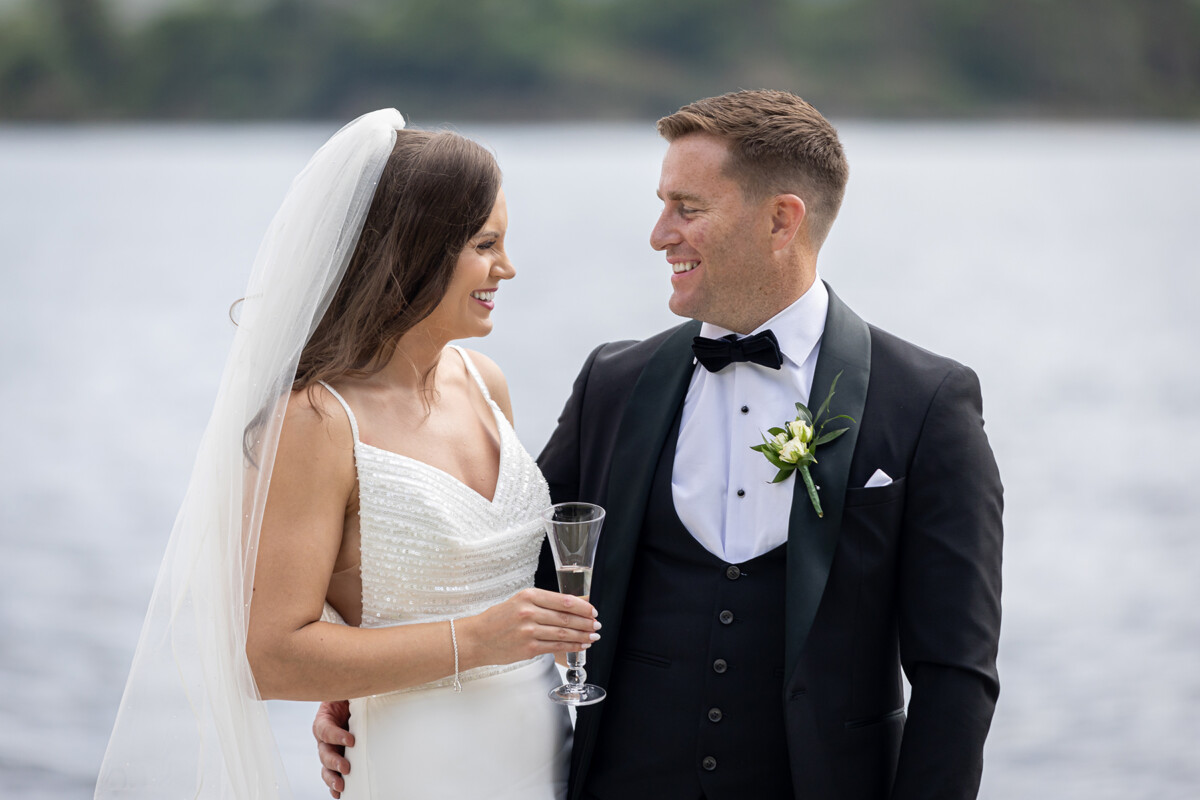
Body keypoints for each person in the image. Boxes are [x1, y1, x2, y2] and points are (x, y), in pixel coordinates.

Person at [316, 90, 1003, 799]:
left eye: (688, 208)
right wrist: (369, 680)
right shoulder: (615, 384)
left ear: (781, 220)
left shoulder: (926, 404)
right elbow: (512, 569)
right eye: (662, 203)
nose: (659, 233)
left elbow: (957, 674)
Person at [96, 109, 597, 799]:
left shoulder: (485, 383)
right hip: (420, 767)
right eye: (487, 244)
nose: (506, 268)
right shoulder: (315, 421)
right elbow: (271, 658)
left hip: (546, 751)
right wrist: (474, 642)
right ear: (417, 251)